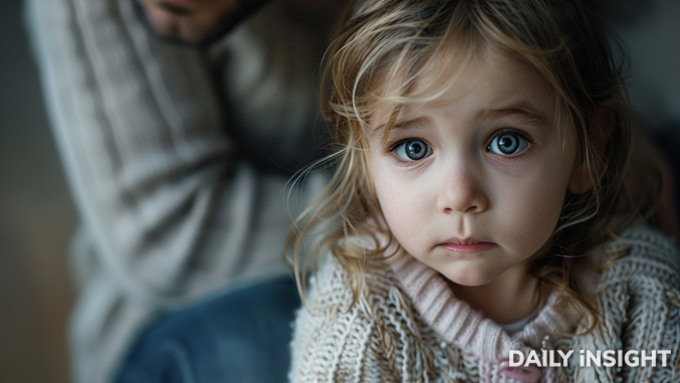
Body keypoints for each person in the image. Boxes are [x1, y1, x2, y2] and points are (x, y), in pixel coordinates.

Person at [288, 0, 680, 381]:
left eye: (507, 142)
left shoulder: (645, 292)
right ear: (365, 164)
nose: (459, 196)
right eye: (414, 148)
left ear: (587, 151)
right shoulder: (353, 312)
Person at [25, 0, 344, 382]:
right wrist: (393, 216)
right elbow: (170, 231)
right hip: (175, 314)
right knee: (264, 346)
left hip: (392, 244)